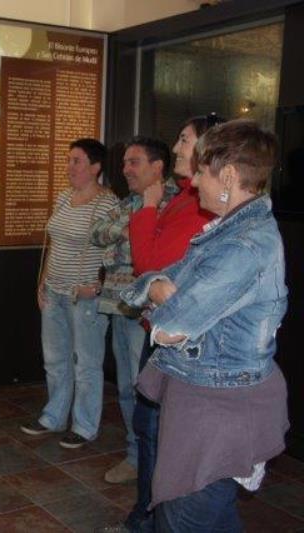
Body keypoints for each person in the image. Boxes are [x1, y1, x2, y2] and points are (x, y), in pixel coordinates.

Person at [122, 118, 288, 531]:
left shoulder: (243, 245)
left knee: (183, 517)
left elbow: (168, 326)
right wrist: (159, 288)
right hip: (208, 401)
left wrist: (160, 292)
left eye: (202, 172)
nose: (194, 182)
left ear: (228, 176)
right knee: (207, 517)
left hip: (218, 410)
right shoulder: (230, 232)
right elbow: (152, 283)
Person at [124, 118, 222, 532]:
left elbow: (149, 266)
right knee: (150, 427)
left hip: (177, 341)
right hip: (160, 331)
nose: (177, 147)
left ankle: (147, 519)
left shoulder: (199, 207)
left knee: (156, 431)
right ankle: (146, 516)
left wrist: (148, 209)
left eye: (184, 140)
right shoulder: (186, 196)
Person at [90, 136, 178, 484]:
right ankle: (135, 456)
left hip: (150, 315)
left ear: (158, 167)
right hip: (120, 305)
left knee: (150, 390)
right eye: (125, 162)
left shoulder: (175, 202)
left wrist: (132, 229)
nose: (125, 169)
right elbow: (97, 233)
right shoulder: (130, 202)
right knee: (127, 387)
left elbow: (152, 252)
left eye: (134, 162)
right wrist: (133, 225)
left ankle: (156, 461)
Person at [21, 139, 118, 449]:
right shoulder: (64, 198)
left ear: (96, 167)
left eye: (77, 161)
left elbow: (117, 254)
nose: (69, 167)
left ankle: (85, 426)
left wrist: (98, 286)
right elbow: (54, 244)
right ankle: (54, 417)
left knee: (86, 364)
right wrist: (42, 282)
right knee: (55, 359)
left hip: (84, 299)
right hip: (54, 292)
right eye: (68, 160)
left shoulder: (108, 204)